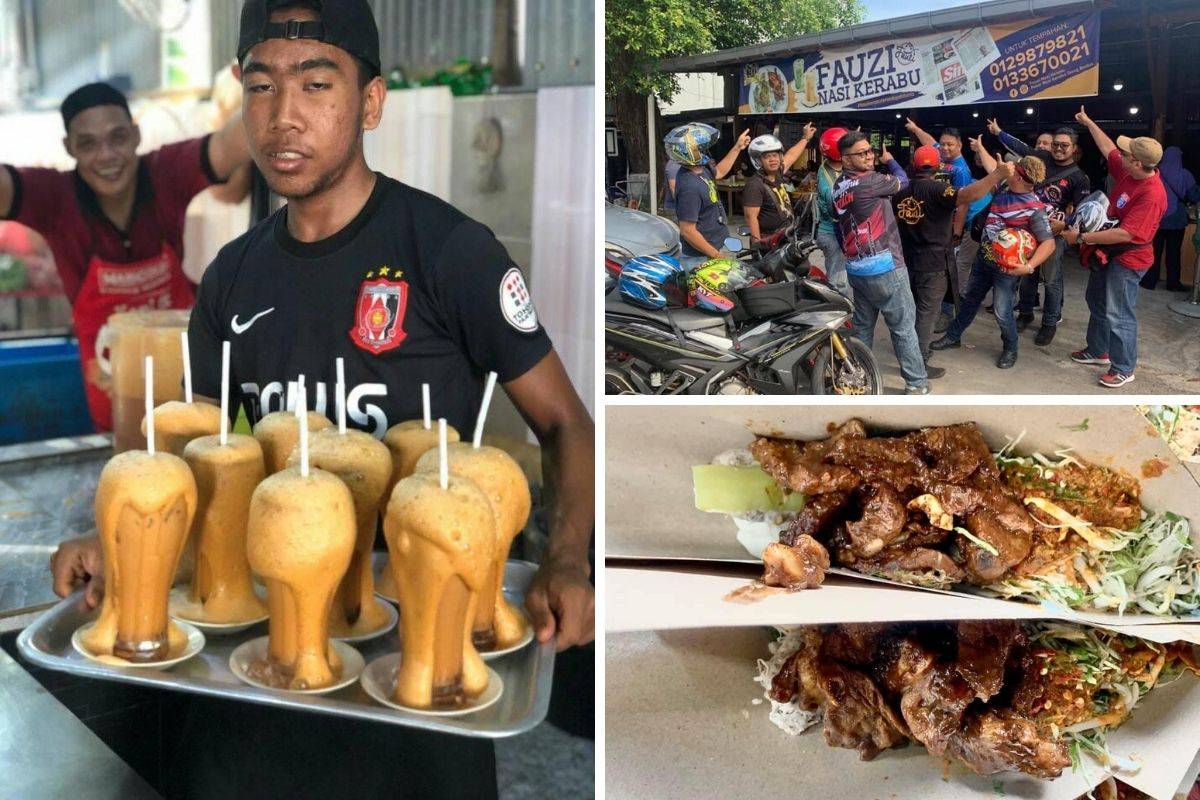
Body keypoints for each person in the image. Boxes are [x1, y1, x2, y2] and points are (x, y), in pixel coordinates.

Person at [49, 1, 594, 796]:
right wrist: (114, 549)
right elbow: (194, 468)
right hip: (258, 678)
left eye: (316, 83)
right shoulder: (230, 279)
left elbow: (565, 422)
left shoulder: (449, 252)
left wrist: (568, 556)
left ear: (369, 102)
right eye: (262, 87)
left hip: (414, 686)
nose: (283, 118)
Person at [0, 81, 253, 431]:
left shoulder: (167, 171)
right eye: (87, 143)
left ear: (136, 136)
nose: (106, 156)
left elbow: (230, 145)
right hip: (111, 391)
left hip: (187, 384)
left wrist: (265, 84)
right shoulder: (55, 197)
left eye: (118, 137)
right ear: (69, 147)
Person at [1062, 106, 1167, 388]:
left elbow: (1125, 234)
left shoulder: (1152, 194)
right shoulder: (1129, 172)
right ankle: (1098, 350)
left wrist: (1082, 238)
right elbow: (1108, 146)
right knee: (1096, 300)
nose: (1120, 155)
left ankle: (1123, 367)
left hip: (1129, 259)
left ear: (1137, 162)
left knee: (1119, 312)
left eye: (1126, 154)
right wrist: (1088, 121)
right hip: (1108, 253)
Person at [931, 151, 1056, 369]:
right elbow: (993, 171)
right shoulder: (1004, 188)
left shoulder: (1034, 208)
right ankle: (953, 336)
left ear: (1019, 176)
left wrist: (1028, 267)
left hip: (1006, 270)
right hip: (983, 261)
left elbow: (1049, 243)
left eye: (1013, 170)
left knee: (1002, 311)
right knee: (970, 300)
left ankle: (1011, 347)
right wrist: (982, 150)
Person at [893, 144, 1008, 375]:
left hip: (907, 259)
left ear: (915, 165)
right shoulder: (939, 190)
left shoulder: (900, 191)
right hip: (933, 262)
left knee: (913, 309)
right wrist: (997, 175)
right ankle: (919, 363)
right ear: (938, 166)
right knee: (927, 313)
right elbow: (968, 195)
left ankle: (911, 352)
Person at [831, 131, 928, 394]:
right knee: (903, 328)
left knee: (863, 327)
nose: (869, 156)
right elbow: (903, 181)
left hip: (856, 267)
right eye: (861, 153)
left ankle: (858, 378)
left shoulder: (838, 185)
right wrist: (891, 160)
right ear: (846, 159)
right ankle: (917, 384)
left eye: (870, 151)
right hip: (886, 266)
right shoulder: (870, 182)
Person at [986, 120, 1091, 344]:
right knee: (1027, 275)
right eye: (1055, 144)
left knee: (1052, 279)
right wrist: (999, 132)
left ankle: (1049, 323)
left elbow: (1082, 210)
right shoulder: (1041, 158)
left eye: (1064, 145)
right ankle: (1025, 314)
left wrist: (1065, 224)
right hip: (1028, 229)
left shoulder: (1078, 177)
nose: (1059, 149)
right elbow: (1021, 148)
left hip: (1053, 232)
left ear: (1074, 148)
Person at [905, 118, 991, 321]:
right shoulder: (939, 154)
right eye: (943, 144)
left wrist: (957, 232)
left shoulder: (960, 170)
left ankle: (949, 312)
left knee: (952, 269)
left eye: (949, 144)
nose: (944, 147)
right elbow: (930, 142)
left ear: (959, 145)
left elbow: (962, 204)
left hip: (959, 225)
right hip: (939, 224)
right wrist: (916, 128)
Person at [664, 122, 750, 268]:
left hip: (715, 248)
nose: (706, 151)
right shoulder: (689, 186)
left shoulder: (701, 169)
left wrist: (737, 147)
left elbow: (720, 172)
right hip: (702, 258)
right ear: (690, 152)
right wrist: (717, 256)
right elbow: (687, 231)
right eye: (701, 148)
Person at [742, 122, 815, 246]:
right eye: (767, 157)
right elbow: (750, 218)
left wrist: (805, 138)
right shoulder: (755, 185)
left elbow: (791, 155)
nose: (773, 159)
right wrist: (757, 244)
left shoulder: (778, 174)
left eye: (775, 155)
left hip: (785, 236)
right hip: (768, 241)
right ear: (758, 160)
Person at [1143, 146, 1196, 291]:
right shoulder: (1185, 175)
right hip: (1177, 220)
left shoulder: (1155, 173)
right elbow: (1194, 196)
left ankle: (1149, 281)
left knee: (1154, 251)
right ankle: (1173, 283)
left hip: (1157, 218)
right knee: (1173, 253)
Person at [814, 126, 849, 296]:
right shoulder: (825, 175)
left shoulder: (835, 168)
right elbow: (833, 204)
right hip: (832, 234)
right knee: (838, 280)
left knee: (844, 275)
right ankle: (837, 315)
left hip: (840, 232)